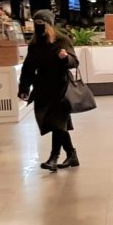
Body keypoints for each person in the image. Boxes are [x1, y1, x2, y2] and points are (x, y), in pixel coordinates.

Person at [18, 10, 80, 172]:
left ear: (50, 25)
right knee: (54, 122)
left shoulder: (62, 40)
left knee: (57, 122)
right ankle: (71, 154)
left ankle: (54, 157)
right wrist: (24, 88)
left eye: (42, 24)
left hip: (61, 87)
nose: (39, 28)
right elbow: (28, 67)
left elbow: (74, 61)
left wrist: (65, 58)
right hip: (42, 88)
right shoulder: (35, 44)